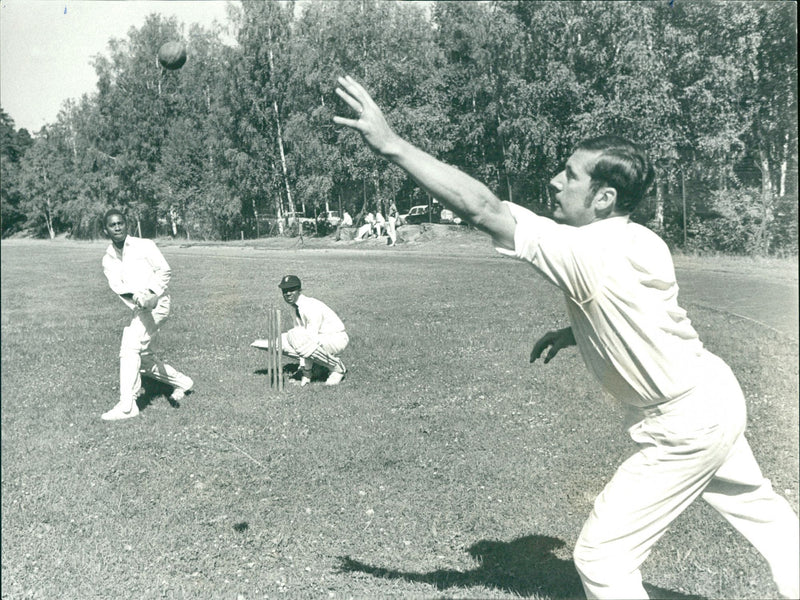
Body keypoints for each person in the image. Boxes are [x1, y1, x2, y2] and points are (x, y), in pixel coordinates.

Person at [333, 75, 799, 599]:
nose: (555, 181)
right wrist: (573, 332)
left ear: (603, 197)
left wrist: (392, 143)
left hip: (685, 423)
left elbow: (483, 209)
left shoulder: (586, 252)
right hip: (714, 394)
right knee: (764, 512)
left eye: (570, 175)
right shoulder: (638, 238)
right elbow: (637, 311)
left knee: (602, 561)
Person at [100, 209, 194, 421]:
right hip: (139, 306)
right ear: (105, 230)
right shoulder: (108, 259)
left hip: (159, 302)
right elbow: (118, 287)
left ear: (126, 225)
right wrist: (138, 298)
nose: (117, 227)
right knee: (140, 358)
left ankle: (127, 406)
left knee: (130, 346)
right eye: (112, 225)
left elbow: (164, 270)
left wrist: (152, 293)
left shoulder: (145, 245)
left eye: (120, 223)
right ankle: (183, 382)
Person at [254, 275, 348, 386]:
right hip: (320, 339)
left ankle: (337, 368)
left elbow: (310, 340)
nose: (287, 293)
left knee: (298, 338)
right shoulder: (294, 307)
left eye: (291, 290)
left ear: (299, 290)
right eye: (285, 290)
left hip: (335, 338)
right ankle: (318, 368)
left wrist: (306, 373)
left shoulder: (310, 306)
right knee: (281, 341)